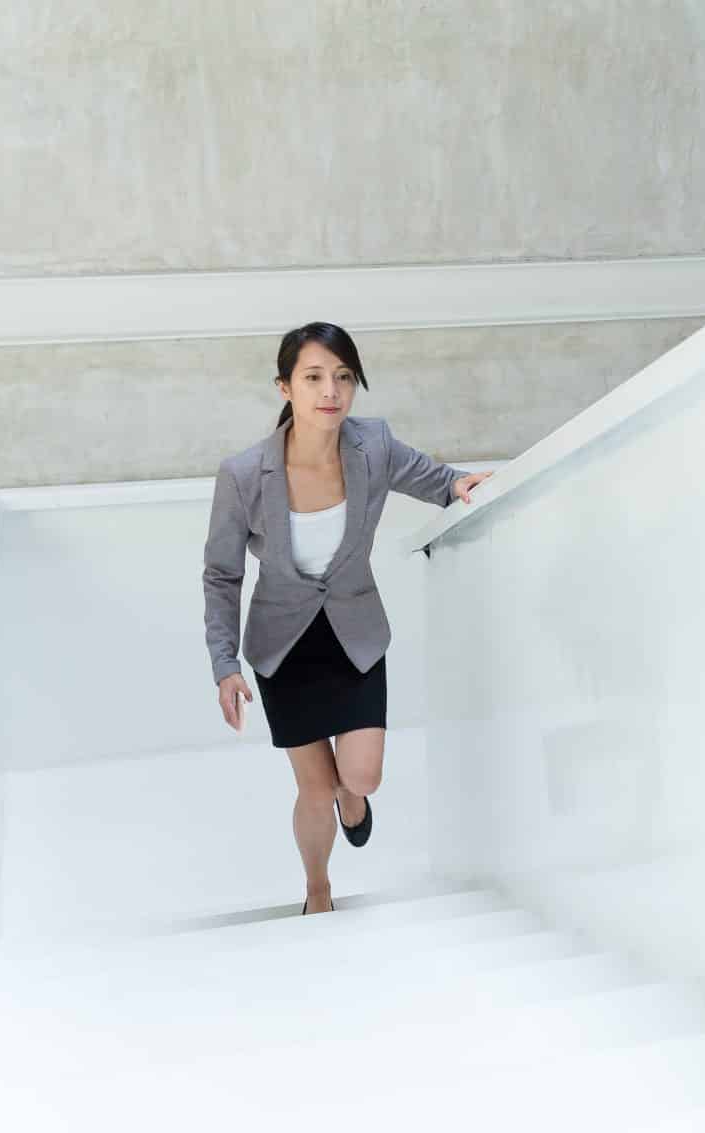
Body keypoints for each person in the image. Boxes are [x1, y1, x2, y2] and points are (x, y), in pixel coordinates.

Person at [201, 321, 491, 915]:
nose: (330, 390)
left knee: (362, 777)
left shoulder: (372, 445)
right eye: (313, 377)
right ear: (285, 388)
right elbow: (222, 575)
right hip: (284, 647)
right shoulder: (243, 474)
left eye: (342, 377)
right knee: (312, 786)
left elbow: (432, 478)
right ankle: (318, 887)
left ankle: (351, 798)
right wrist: (224, 664)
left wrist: (461, 484)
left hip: (355, 636)